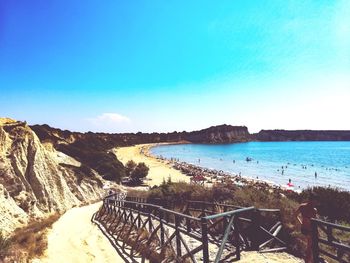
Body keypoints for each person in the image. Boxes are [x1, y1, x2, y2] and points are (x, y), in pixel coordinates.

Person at [295, 193, 318, 263]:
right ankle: (307, 261)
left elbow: (295, 215)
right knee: (309, 247)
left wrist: (301, 223)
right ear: (313, 200)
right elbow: (315, 222)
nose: (315, 202)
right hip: (309, 230)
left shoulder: (302, 206)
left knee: (310, 246)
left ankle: (309, 260)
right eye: (315, 201)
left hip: (303, 229)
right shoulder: (314, 210)